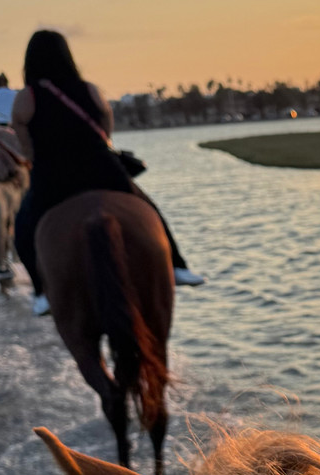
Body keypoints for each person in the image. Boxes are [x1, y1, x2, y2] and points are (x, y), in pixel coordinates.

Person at [11, 30, 204, 317]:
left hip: (53, 173)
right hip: (101, 166)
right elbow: (106, 132)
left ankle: (41, 293)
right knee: (146, 207)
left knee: (23, 227)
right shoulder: (90, 89)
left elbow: (27, 148)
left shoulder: (26, 98)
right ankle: (177, 265)